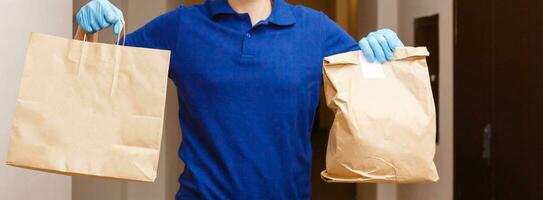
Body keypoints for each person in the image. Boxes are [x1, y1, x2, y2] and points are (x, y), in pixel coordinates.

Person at [76, 0, 404, 199]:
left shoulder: (315, 30)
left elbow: (377, 97)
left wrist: (387, 53)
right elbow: (101, 80)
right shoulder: (182, 27)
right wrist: (89, 32)